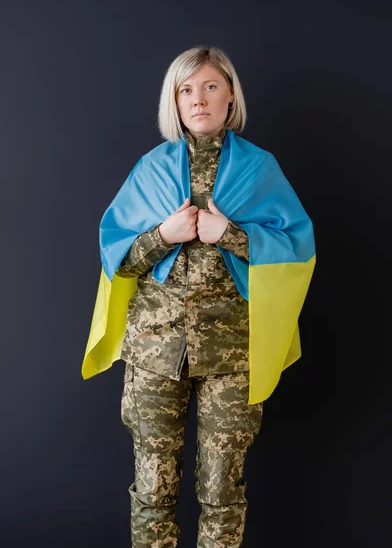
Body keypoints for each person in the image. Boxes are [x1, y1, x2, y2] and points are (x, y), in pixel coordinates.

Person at [81, 46, 316, 547]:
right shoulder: (151, 169)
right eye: (186, 89)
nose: (198, 99)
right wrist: (162, 235)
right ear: (175, 100)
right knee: (152, 489)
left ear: (230, 95)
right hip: (154, 351)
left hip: (231, 354)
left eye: (210, 86)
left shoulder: (260, 169)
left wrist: (229, 233)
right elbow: (116, 257)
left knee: (222, 490)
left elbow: (296, 248)